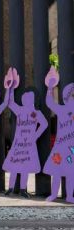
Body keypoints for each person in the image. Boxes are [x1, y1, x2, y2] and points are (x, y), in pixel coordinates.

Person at [3, 69, 48, 198]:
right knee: (14, 166)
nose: (26, 98)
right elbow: (10, 103)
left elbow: (44, 124)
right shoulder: (20, 111)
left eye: (29, 97)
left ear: (33, 100)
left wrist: (36, 135)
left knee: (25, 167)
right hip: (18, 144)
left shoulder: (36, 113)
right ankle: (10, 188)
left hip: (28, 144)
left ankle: (23, 189)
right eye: (25, 97)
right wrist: (10, 88)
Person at [43, 67, 74, 203]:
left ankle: (69, 196)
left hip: (71, 148)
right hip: (61, 146)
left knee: (71, 173)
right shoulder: (61, 110)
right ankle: (54, 194)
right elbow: (49, 103)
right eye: (71, 95)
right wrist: (50, 88)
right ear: (66, 98)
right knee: (57, 172)